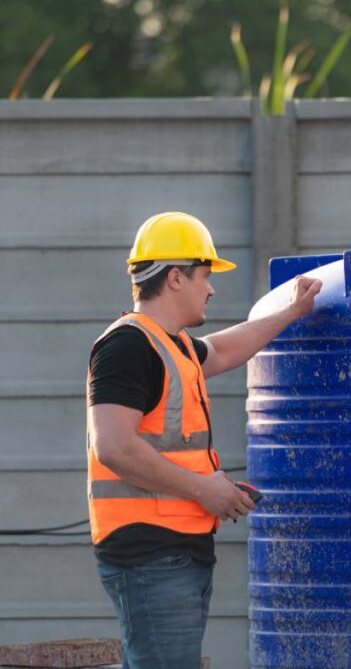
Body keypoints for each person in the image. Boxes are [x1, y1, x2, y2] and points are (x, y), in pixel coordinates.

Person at [86, 211, 322, 669]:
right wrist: (204, 489)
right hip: (150, 553)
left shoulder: (170, 344)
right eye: (204, 275)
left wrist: (290, 312)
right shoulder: (128, 347)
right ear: (176, 277)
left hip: (177, 549)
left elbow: (225, 349)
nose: (211, 288)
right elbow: (112, 445)